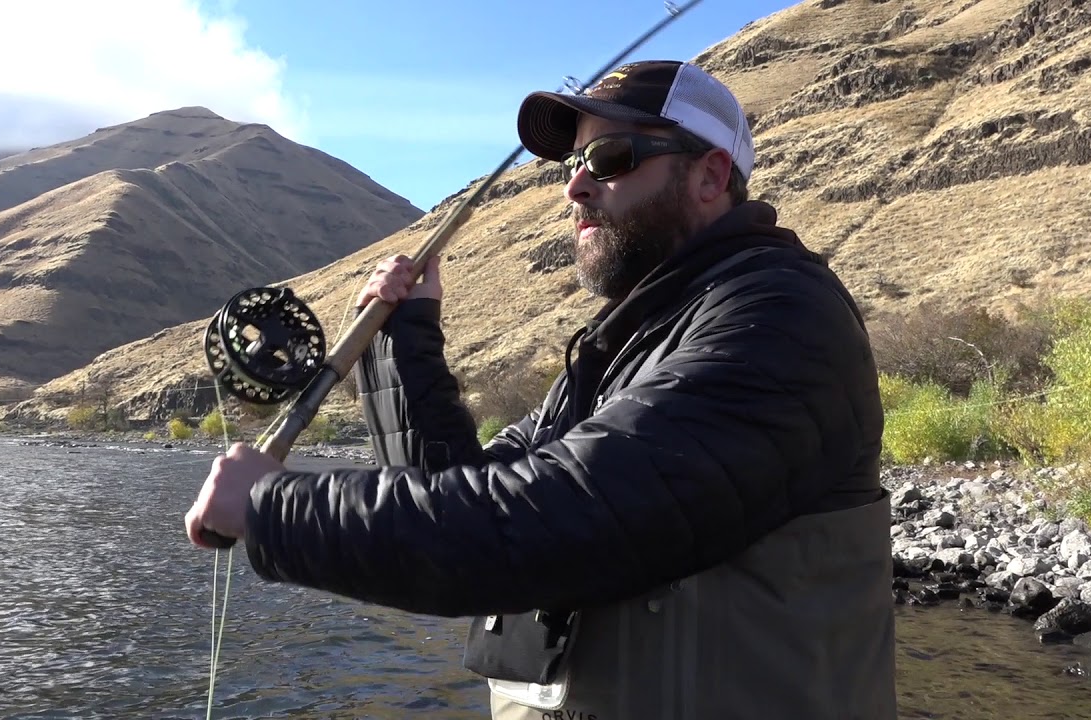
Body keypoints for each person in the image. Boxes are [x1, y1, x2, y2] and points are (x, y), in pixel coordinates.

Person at [185, 59, 897, 719]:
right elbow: (466, 495)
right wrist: (408, 342)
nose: (575, 185)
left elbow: (550, 519)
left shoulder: (780, 318)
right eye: (576, 161)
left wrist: (273, 506)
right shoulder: (622, 349)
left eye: (611, 158)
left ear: (711, 177)